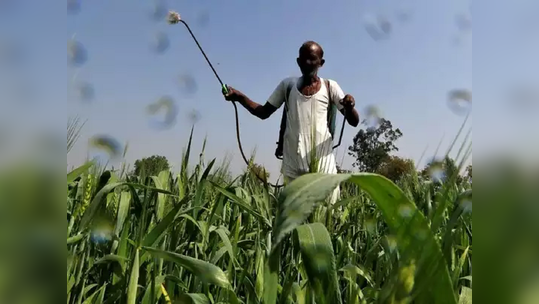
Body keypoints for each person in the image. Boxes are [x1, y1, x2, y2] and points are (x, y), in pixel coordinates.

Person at [223, 41, 360, 204]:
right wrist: (239, 97)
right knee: (294, 216)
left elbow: (353, 121)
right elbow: (263, 112)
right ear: (298, 61)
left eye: (312, 59)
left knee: (328, 210)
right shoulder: (287, 86)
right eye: (303, 59)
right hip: (293, 162)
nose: (307, 63)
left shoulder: (330, 86)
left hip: (323, 163)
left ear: (321, 63)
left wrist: (350, 107)